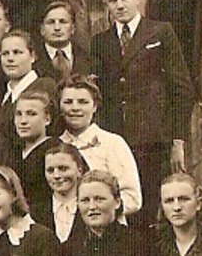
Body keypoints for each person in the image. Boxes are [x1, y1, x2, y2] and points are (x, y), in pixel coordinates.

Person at [90, 0, 194, 226]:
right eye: (113, 0)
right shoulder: (101, 42)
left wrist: (177, 141)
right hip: (117, 140)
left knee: (153, 210)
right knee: (123, 208)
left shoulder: (160, 32)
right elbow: (97, 95)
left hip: (154, 141)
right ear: (107, 5)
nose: (120, 5)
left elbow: (182, 90)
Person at [58, 76, 142, 219]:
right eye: (68, 102)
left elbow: (133, 197)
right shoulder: (55, 145)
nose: (75, 108)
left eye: (83, 102)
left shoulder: (112, 143)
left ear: (94, 106)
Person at [0, 29, 55, 144]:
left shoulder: (45, 87)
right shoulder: (2, 94)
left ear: (32, 56)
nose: (10, 59)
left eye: (17, 52)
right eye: (5, 53)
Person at [12, 87, 55, 225]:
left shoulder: (56, 150)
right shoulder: (12, 152)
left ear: (47, 119)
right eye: (19, 114)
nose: (23, 121)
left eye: (31, 114)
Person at [33, 1, 91, 89]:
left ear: (73, 28)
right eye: (51, 22)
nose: (57, 28)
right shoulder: (32, 60)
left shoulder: (89, 59)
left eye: (63, 22)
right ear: (42, 29)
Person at [43, 141, 88, 245]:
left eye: (63, 169)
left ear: (79, 171)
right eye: (50, 170)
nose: (56, 175)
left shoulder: (90, 208)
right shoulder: (35, 212)